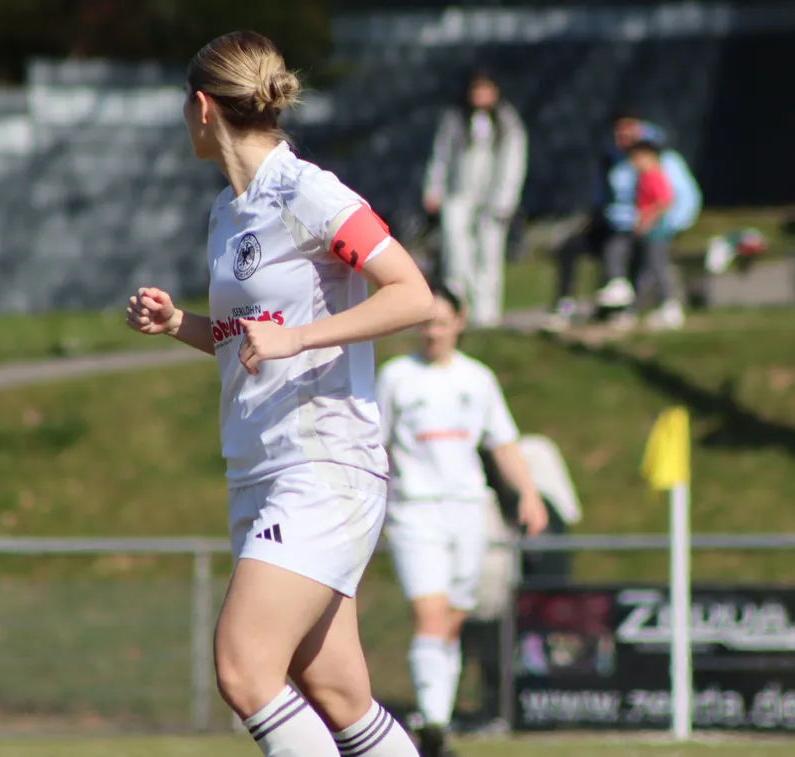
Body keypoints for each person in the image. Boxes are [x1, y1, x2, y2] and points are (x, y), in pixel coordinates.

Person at [124, 31, 434, 757]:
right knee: (338, 696)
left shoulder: (309, 192)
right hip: (259, 472)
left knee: (243, 666)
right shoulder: (226, 215)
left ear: (202, 107)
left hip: (322, 465)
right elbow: (248, 338)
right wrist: (178, 325)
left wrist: (298, 339)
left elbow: (413, 293)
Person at [375, 284, 548, 756]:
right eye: (425, 320)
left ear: (459, 321)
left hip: (469, 511)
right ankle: (432, 725)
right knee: (429, 616)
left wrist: (528, 494)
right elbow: (376, 448)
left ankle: (438, 721)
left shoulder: (478, 379)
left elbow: (502, 442)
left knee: (451, 622)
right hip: (415, 511)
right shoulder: (395, 378)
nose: (432, 329)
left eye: (441, 320)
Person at [548, 109, 700, 330]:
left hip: (651, 228)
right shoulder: (611, 160)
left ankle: (645, 306)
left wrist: (659, 224)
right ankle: (566, 306)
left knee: (640, 258)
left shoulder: (662, 162)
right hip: (617, 225)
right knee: (573, 246)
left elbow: (674, 199)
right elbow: (603, 199)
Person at [423, 69, 528, 329]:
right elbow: (441, 156)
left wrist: (506, 198)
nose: (481, 96)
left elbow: (515, 161)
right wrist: (433, 189)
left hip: (493, 197)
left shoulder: (507, 120)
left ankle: (487, 314)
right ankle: (457, 308)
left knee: (489, 253)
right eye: (476, 90)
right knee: (456, 251)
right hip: (458, 194)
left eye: (486, 90)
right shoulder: (455, 119)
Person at [624, 139, 683, 329]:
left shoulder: (653, 176)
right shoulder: (642, 177)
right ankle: (636, 308)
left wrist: (647, 220)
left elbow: (664, 200)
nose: (634, 163)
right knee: (644, 269)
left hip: (657, 232)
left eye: (637, 158)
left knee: (658, 267)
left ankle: (670, 306)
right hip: (649, 232)